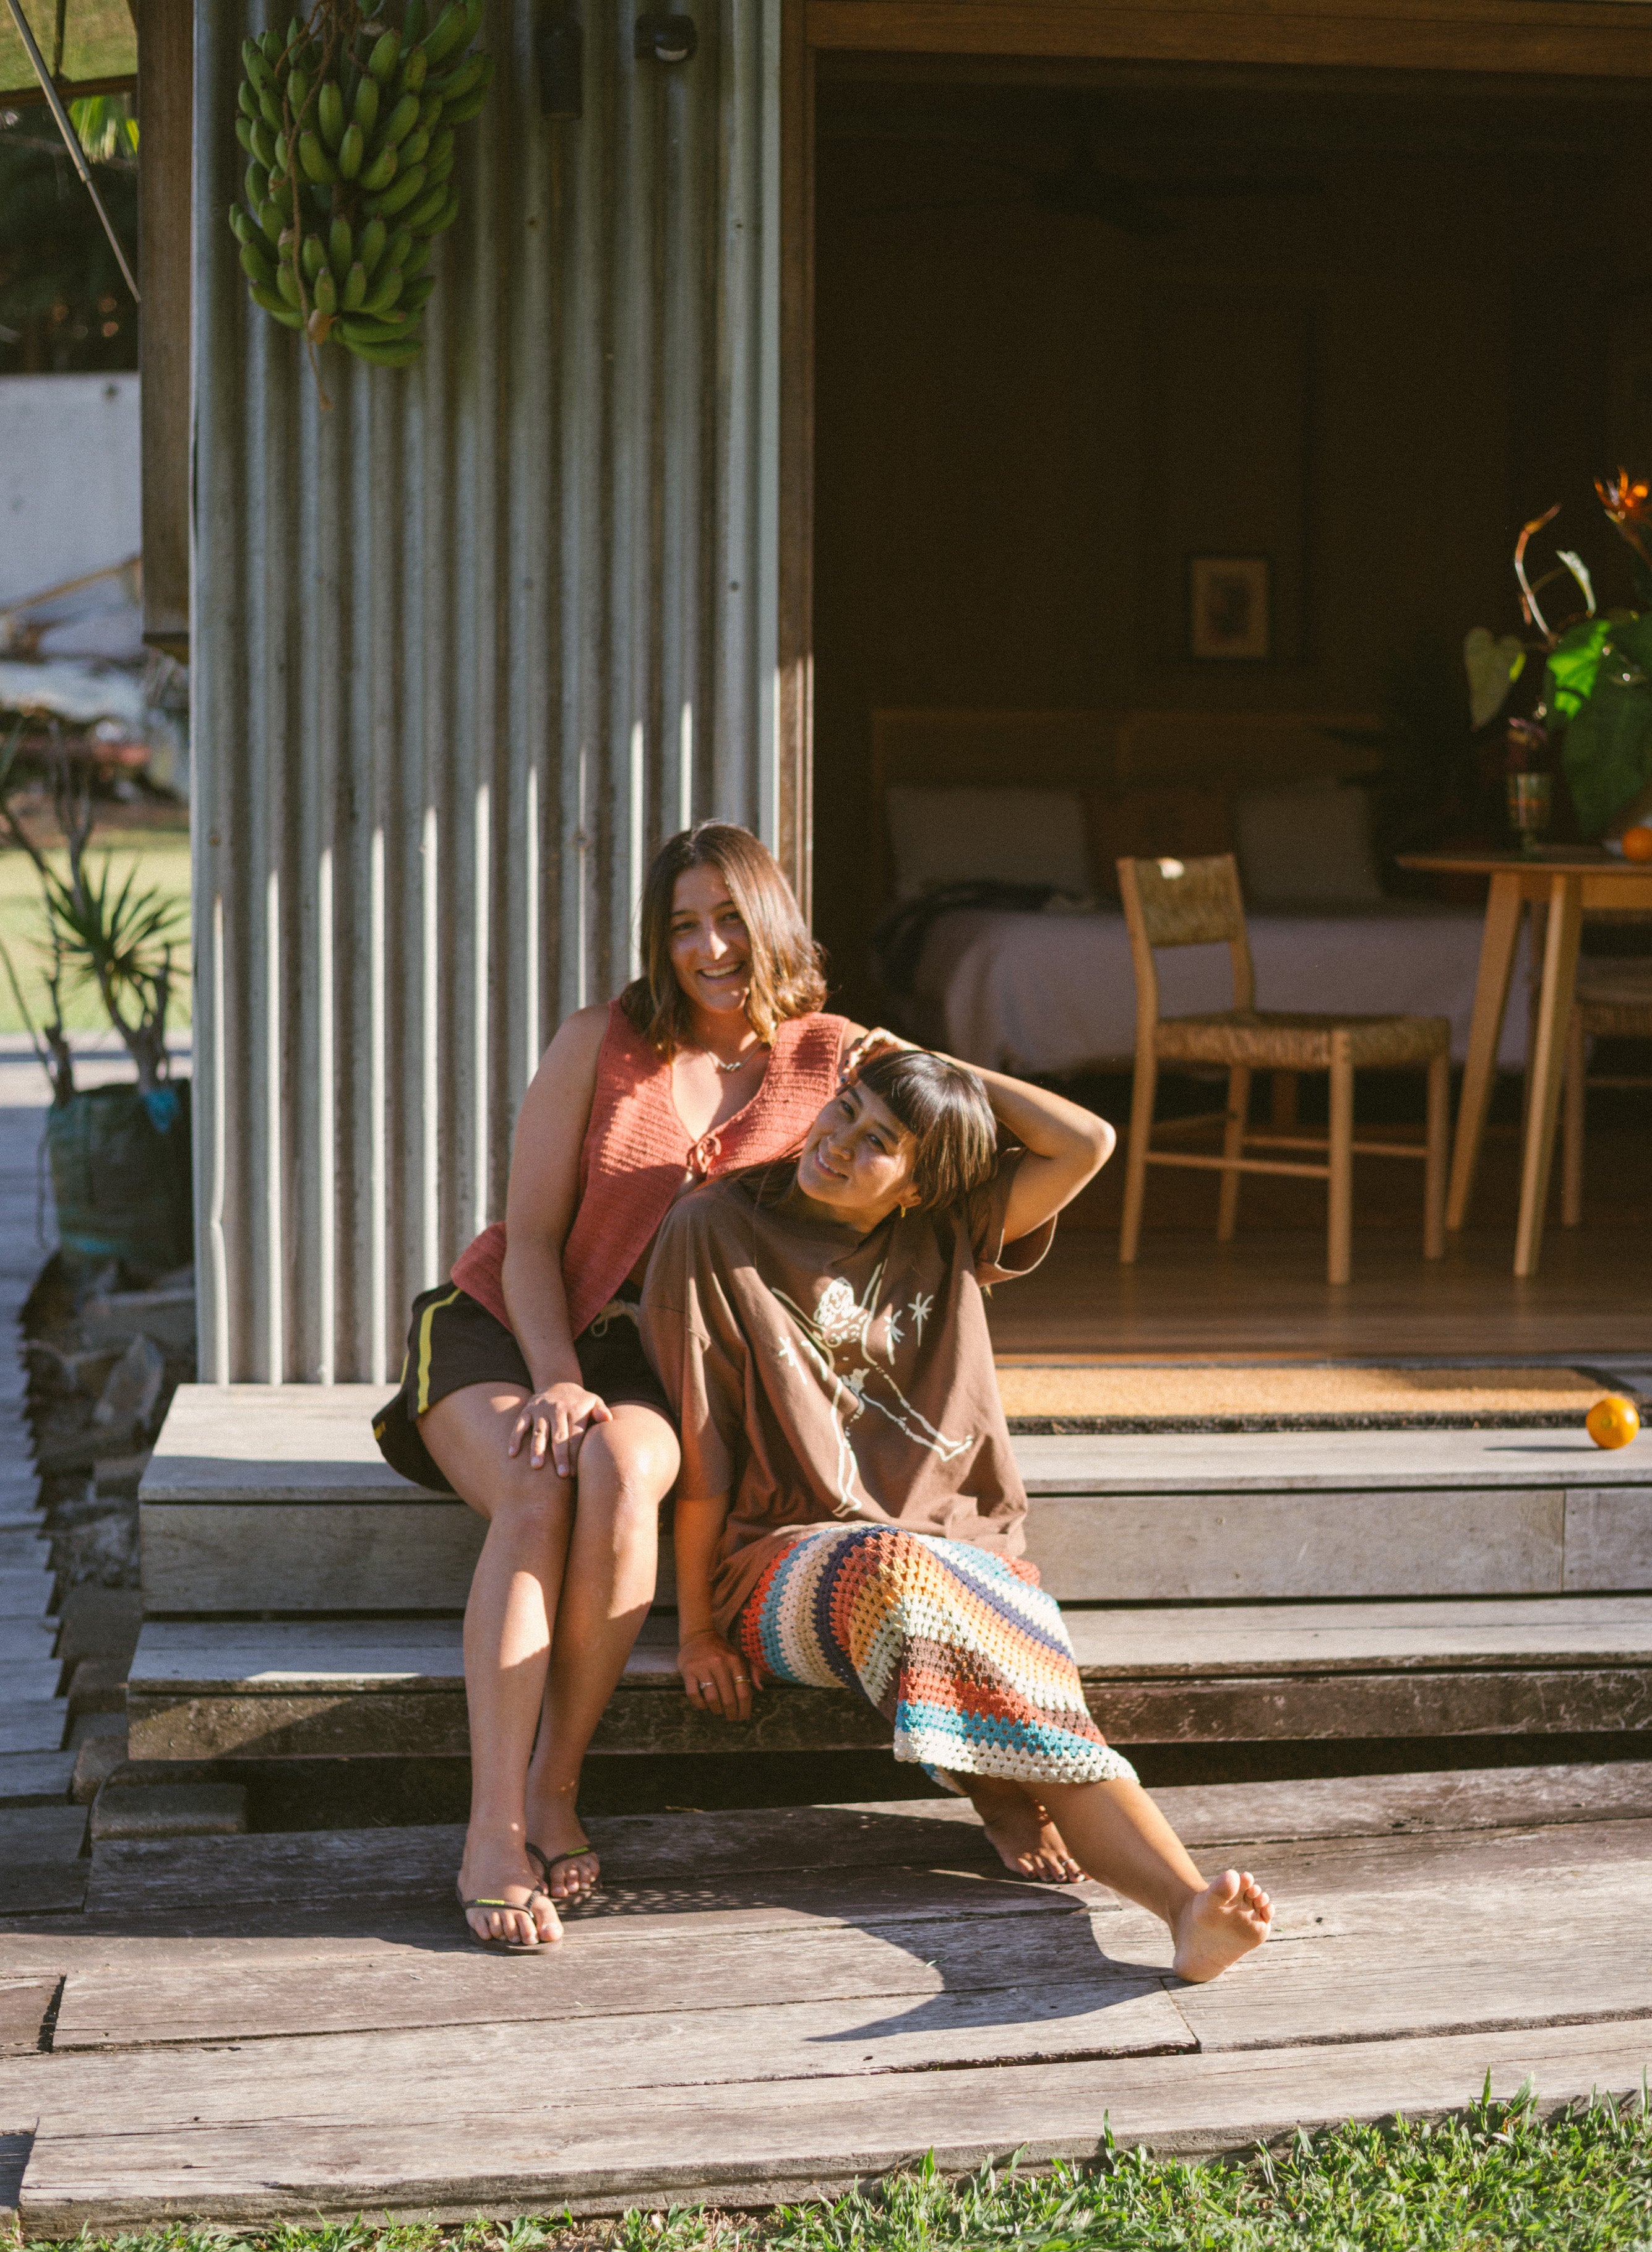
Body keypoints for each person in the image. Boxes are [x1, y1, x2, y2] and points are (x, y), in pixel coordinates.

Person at [640, 1045, 1274, 1983]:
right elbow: (705, 1455)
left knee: (944, 1587)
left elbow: (1087, 1141)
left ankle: (1157, 1889)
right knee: (899, 1572)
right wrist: (698, 1629)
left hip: (964, 1552)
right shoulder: (713, 1227)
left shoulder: (948, 1226)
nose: (839, 1142)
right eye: (845, 1109)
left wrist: (933, 1062)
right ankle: (1065, 1827)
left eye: (880, 1141)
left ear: (920, 1188)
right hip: (786, 1560)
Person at [372, 824, 854, 1950]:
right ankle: (494, 1830)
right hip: (510, 1326)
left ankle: (558, 1785)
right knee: (541, 1482)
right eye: (683, 925)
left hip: (656, 1363)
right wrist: (555, 1377)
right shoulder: (602, 1039)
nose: (709, 948)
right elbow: (532, 1241)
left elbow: (949, 1129)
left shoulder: (829, 1058)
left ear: (772, 921)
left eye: (729, 918)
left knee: (628, 1470)